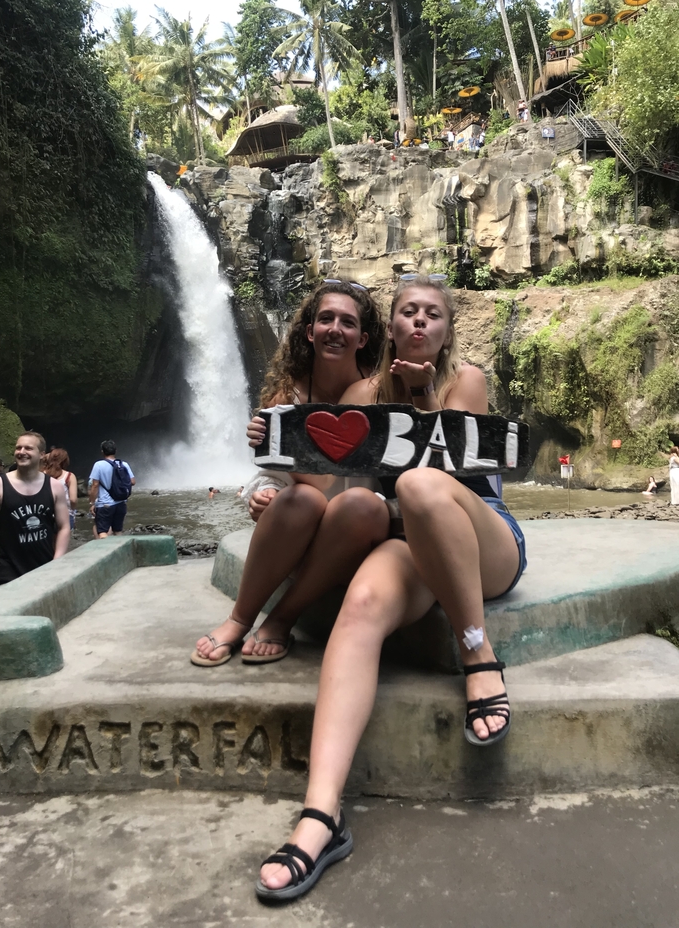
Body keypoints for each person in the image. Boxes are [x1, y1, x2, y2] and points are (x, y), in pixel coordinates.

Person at [255, 275, 527, 901]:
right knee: (362, 606)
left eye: (434, 313)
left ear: (447, 328)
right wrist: (278, 478)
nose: (421, 322)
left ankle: (478, 653)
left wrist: (425, 398)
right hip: (407, 547)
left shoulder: (468, 381)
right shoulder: (358, 393)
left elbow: (458, 469)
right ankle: (320, 817)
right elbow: (334, 487)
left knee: (419, 486)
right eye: (409, 312)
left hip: (482, 541)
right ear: (392, 327)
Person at [191, 281, 387, 667]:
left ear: (363, 338)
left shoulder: (379, 393)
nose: (335, 329)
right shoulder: (286, 396)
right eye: (325, 319)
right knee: (301, 498)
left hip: (357, 527)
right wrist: (261, 495)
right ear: (309, 331)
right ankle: (239, 620)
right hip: (301, 526)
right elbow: (267, 478)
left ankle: (282, 617)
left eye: (347, 323)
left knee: (359, 505)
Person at [0, 431, 70, 589]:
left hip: (45, 568)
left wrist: (57, 561)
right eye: (18, 448)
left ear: (41, 454)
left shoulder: (55, 487)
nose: (21, 452)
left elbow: (64, 527)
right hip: (8, 570)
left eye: (28, 448)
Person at [88, 440, 135, 538]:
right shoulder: (123, 464)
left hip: (105, 504)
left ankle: (104, 551)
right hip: (121, 503)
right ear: (115, 451)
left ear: (102, 451)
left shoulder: (98, 465)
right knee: (118, 531)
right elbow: (132, 482)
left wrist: (92, 503)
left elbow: (95, 485)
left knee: (102, 532)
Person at [43, 448, 78, 530]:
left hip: (46, 514)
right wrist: (72, 511)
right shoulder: (69, 476)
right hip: (65, 514)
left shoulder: (42, 475)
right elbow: (73, 499)